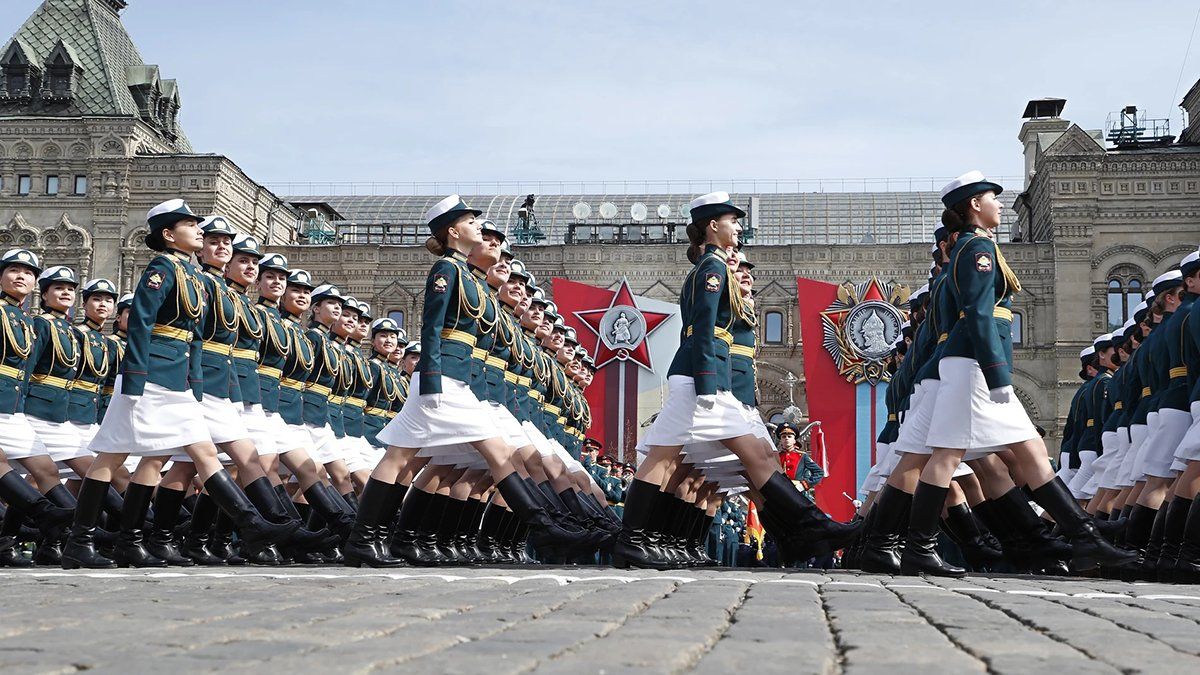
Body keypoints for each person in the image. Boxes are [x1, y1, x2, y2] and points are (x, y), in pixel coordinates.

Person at [901, 172, 1135, 577]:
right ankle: (919, 548)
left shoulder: (977, 246)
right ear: (974, 205)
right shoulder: (976, 249)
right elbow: (976, 315)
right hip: (973, 365)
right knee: (948, 456)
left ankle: (1084, 540)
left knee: (1024, 453)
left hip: (970, 364)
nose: (1000, 204)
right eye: (994, 197)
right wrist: (997, 374)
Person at [614, 192, 858, 570]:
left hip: (705, 379)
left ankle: (805, 531)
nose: (739, 228)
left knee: (729, 457)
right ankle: (809, 528)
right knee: (673, 459)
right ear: (713, 226)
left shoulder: (715, 268)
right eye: (733, 221)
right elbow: (703, 329)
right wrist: (709, 384)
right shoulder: (712, 269)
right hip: (699, 380)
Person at [63, 199, 297, 569]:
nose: (200, 231)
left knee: (185, 455)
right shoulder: (162, 268)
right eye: (192, 225)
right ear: (169, 235)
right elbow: (140, 323)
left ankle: (135, 540)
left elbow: (197, 337)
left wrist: (195, 383)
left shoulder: (193, 277)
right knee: (113, 456)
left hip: (177, 379)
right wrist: (137, 378)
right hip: (150, 374)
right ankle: (81, 541)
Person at [0, 249, 76, 564]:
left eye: (29, 272)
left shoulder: (26, 321)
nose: (22, 276)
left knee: (45, 470)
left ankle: (62, 523)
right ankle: (47, 518)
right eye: (14, 270)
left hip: (12, 406)